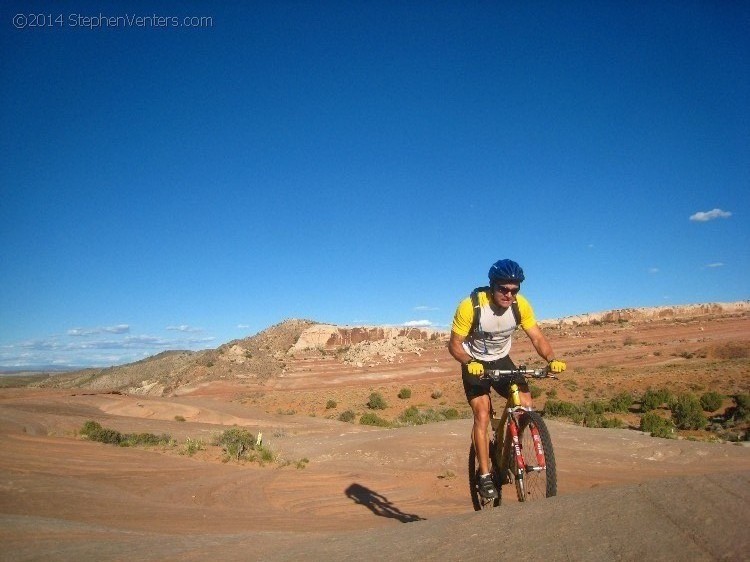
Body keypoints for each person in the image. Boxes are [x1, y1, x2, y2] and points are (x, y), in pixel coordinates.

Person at [448, 259, 566, 500]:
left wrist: (551, 358)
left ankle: (514, 450)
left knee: (525, 401)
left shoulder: (520, 306)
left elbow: (537, 337)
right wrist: (469, 363)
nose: (508, 295)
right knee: (482, 413)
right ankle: (484, 475)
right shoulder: (471, 306)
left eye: (514, 290)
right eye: (503, 289)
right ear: (492, 286)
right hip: (474, 362)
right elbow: (454, 345)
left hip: (501, 359)